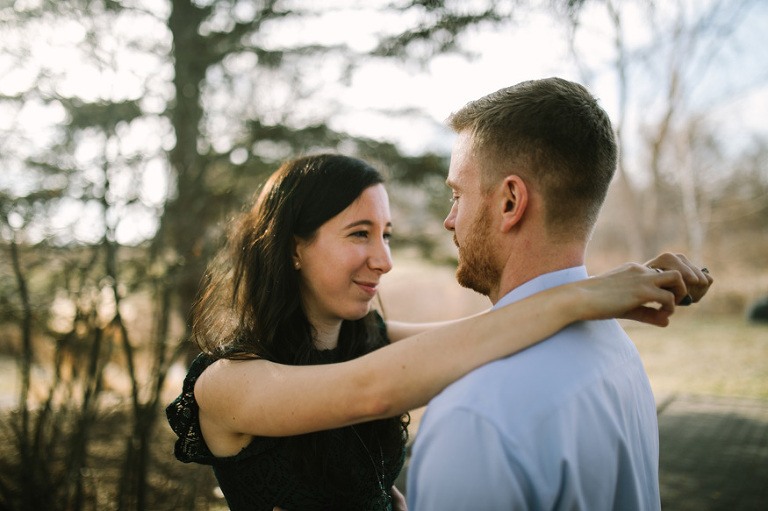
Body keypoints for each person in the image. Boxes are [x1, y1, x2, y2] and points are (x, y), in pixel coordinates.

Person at [166, 153, 702, 511]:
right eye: (360, 234)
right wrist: (581, 296)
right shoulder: (226, 385)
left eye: (387, 235)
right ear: (292, 247)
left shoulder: (365, 338)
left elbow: (482, 334)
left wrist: (615, 285)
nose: (384, 260)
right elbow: (370, 391)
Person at [406, 78, 714, 510]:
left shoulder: (476, 416)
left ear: (510, 202)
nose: (449, 220)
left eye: (457, 194)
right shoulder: (615, 348)